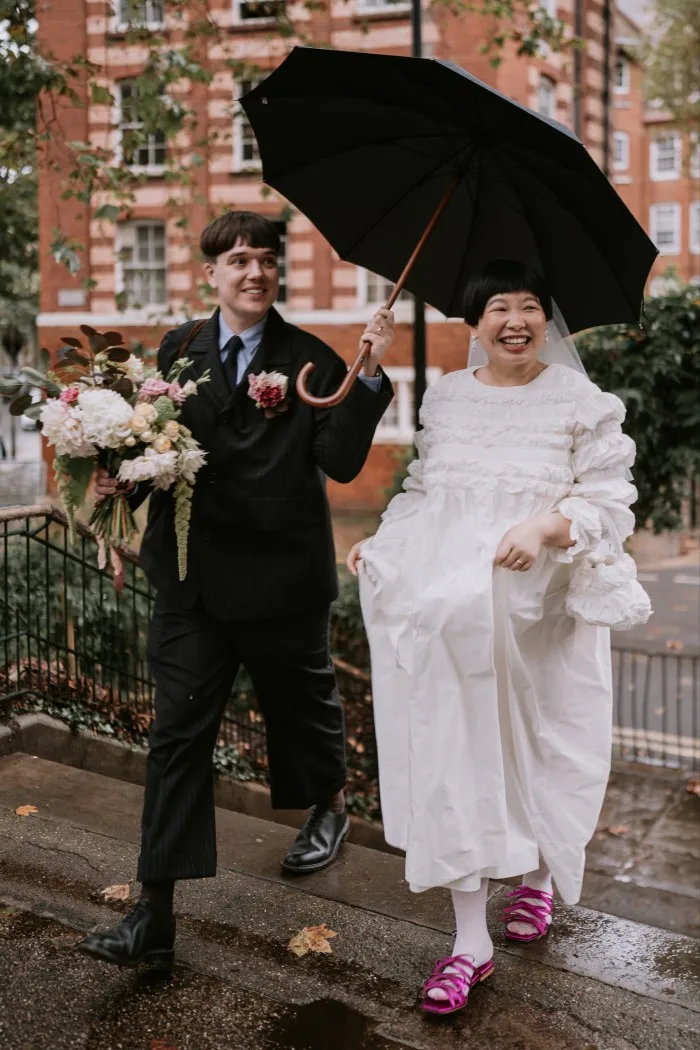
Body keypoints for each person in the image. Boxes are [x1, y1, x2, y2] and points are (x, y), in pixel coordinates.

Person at [79, 210, 395, 968]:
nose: (255, 272)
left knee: (303, 705)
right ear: (212, 274)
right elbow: (151, 442)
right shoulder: (178, 347)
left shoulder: (313, 358)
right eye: (239, 260)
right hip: (190, 579)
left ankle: (329, 804)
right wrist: (112, 494)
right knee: (176, 738)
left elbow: (343, 462)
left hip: (283, 575)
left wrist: (373, 373)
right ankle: (153, 911)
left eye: (265, 260)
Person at [348, 259, 644, 1015]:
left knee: (541, 747)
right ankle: (468, 940)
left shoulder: (581, 401)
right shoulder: (447, 399)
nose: (515, 320)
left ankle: (540, 878)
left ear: (547, 318)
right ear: (474, 323)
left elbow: (609, 502)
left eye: (530, 307)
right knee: (454, 754)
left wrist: (545, 525)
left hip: (537, 610)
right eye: (498, 309)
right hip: (451, 613)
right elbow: (423, 493)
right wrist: (381, 546)